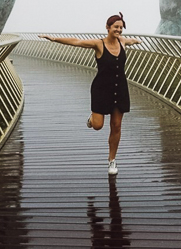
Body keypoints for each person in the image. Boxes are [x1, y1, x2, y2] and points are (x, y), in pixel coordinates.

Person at [40, 13, 141, 175]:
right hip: (101, 89)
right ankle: (92, 119)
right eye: (116, 27)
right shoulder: (98, 44)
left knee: (116, 126)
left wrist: (137, 41)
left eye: (121, 28)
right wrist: (53, 39)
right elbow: (76, 42)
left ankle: (112, 161)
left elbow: (130, 41)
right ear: (108, 27)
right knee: (98, 126)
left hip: (120, 89)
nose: (119, 30)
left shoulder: (122, 42)